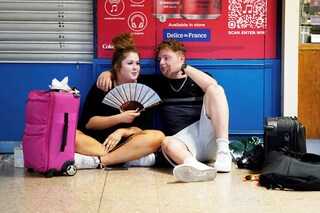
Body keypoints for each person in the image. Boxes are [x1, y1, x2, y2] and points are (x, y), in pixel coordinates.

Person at [97, 38, 231, 183]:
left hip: (207, 135)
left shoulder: (198, 78)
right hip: (183, 143)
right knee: (166, 142)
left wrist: (184, 67)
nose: (161, 63)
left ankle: (224, 151)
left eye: (167, 58)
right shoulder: (156, 82)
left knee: (215, 89)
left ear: (181, 59)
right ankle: (195, 167)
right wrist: (108, 73)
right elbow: (128, 76)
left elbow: (213, 85)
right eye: (160, 59)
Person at [74, 33, 165, 169]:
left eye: (137, 63)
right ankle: (124, 158)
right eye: (130, 63)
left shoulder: (144, 88)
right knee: (71, 135)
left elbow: (141, 128)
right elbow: (89, 124)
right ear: (117, 67)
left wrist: (121, 131)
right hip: (97, 143)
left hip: (128, 142)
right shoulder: (103, 85)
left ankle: (98, 161)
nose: (135, 67)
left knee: (158, 136)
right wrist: (119, 118)